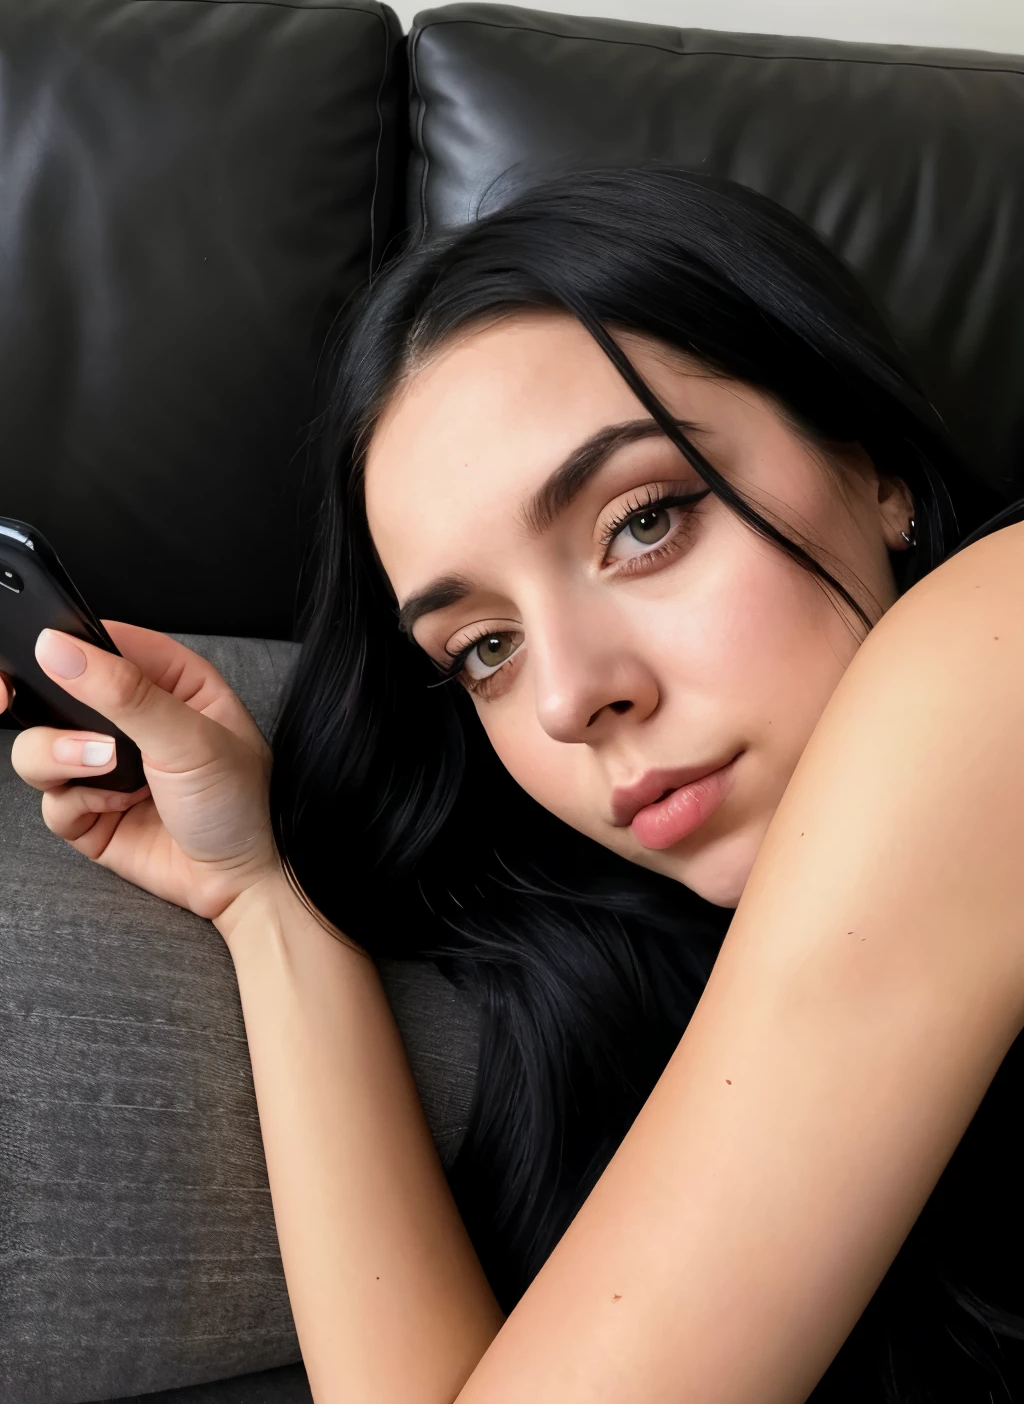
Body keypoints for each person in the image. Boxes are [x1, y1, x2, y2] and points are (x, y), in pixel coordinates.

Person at [5, 165, 1024, 1404]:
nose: (566, 698)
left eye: (644, 521)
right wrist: (262, 896)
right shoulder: (658, 1004)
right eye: (482, 648)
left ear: (877, 471)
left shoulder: (993, 640)